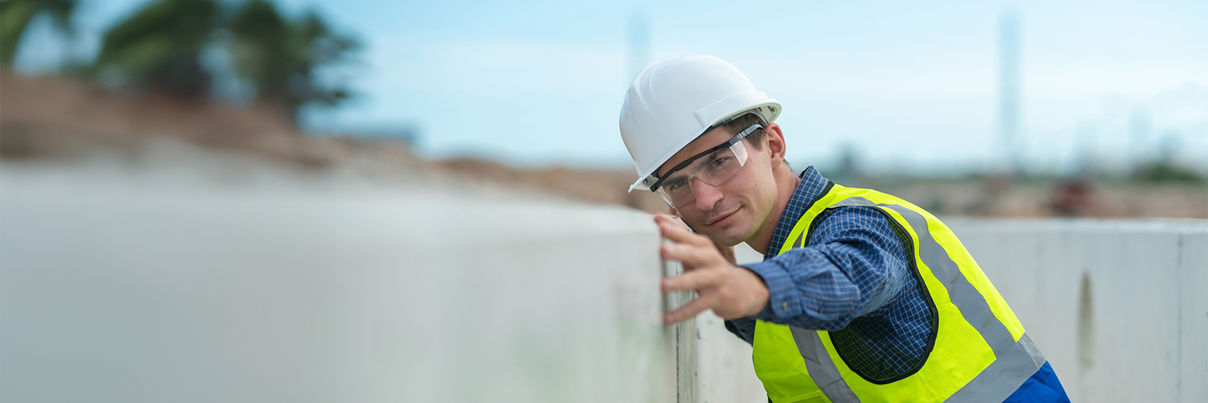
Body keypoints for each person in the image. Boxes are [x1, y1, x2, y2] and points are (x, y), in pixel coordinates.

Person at [617, 55, 1069, 402]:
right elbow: (816, 344)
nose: (705, 199)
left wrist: (753, 285)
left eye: (719, 161)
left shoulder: (856, 222)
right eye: (676, 184)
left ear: (772, 144)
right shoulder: (786, 251)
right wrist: (738, 295)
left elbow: (850, 276)